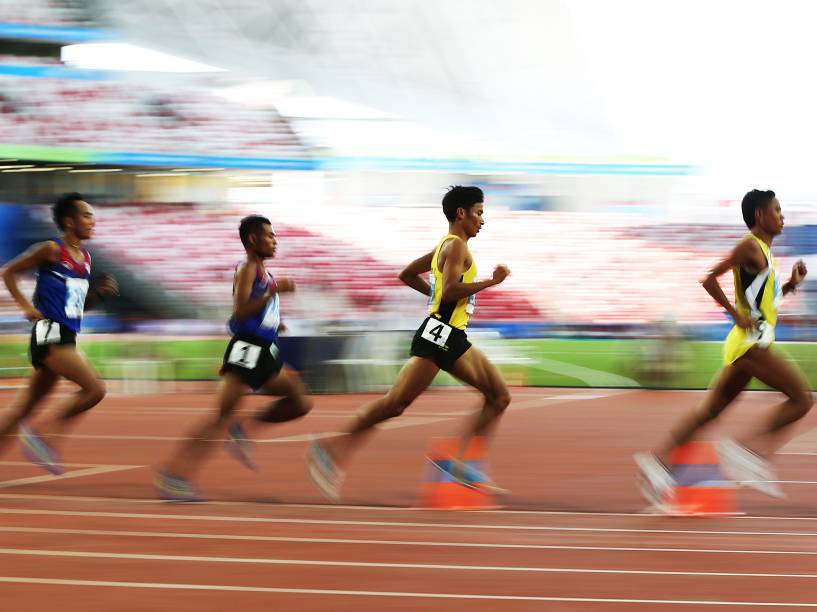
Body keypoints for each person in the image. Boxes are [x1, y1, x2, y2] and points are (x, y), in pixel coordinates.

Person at [306, 186, 512, 502]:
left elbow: (407, 274)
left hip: (446, 334)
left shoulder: (445, 245)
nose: (483, 221)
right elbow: (450, 292)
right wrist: (491, 283)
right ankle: (330, 447)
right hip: (440, 334)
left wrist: (436, 296)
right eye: (480, 213)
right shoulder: (456, 247)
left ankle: (459, 464)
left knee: (495, 397)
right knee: (399, 404)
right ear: (462, 213)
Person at [635, 189, 812, 506]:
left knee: (709, 413)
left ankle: (658, 465)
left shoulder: (765, 254)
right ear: (760, 215)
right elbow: (709, 278)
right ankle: (747, 451)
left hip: (748, 343)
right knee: (801, 399)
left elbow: (763, 303)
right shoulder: (749, 247)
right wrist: (734, 314)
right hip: (750, 345)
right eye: (777, 209)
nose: (782, 215)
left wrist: (790, 285)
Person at [155, 215, 312, 501]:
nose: (275, 240)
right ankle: (173, 476)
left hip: (266, 349)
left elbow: (258, 309)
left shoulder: (264, 273)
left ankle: (242, 428)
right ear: (253, 240)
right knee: (219, 417)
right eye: (270, 235)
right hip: (247, 350)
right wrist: (274, 292)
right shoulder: (247, 269)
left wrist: (275, 322)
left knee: (300, 402)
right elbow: (240, 311)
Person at [0, 192, 118, 474]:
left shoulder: (86, 259)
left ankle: (37, 433)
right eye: (86, 215)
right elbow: (8, 272)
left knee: (22, 410)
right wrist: (26, 307)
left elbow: (77, 308)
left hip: (66, 332)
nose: (92, 221)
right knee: (95, 389)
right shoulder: (51, 249)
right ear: (68, 221)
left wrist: (98, 295)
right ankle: (42, 434)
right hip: (50, 332)